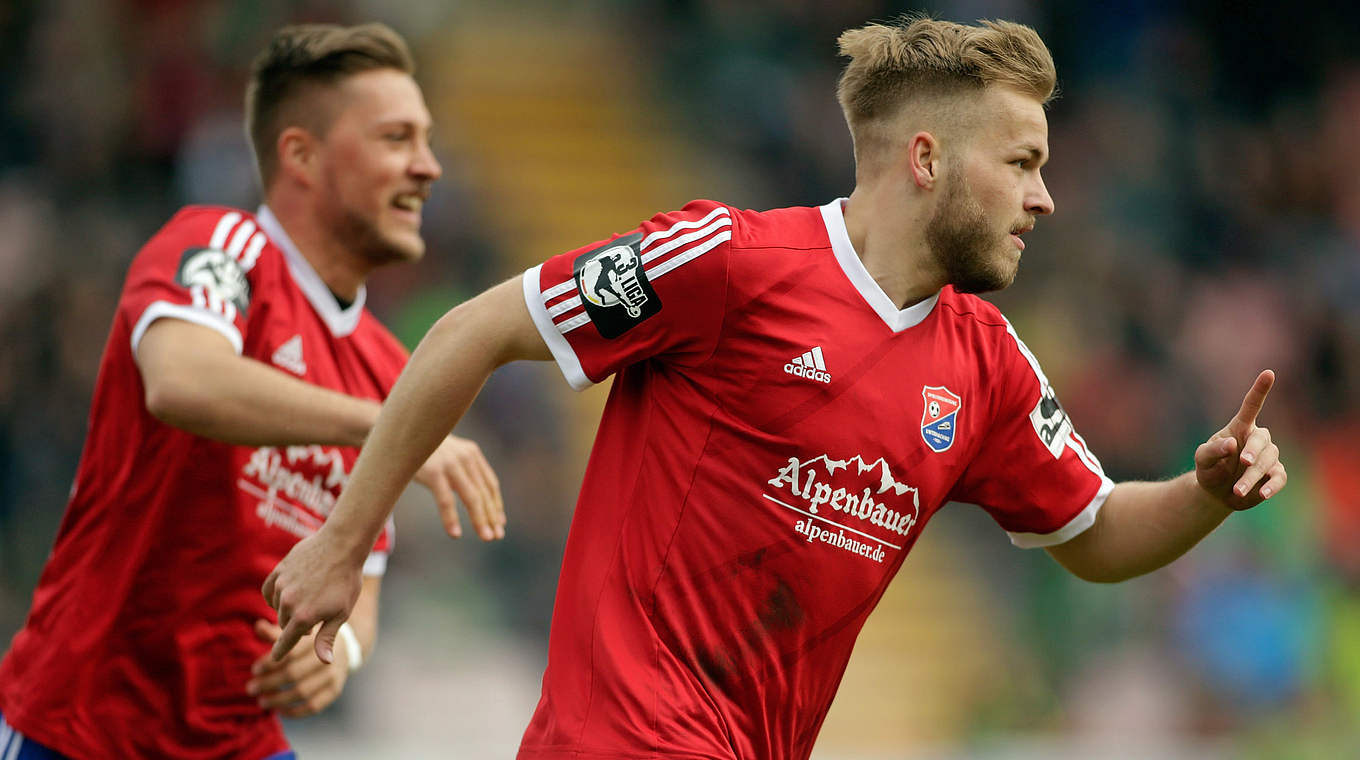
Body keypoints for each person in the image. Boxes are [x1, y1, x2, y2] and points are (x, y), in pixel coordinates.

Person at [262, 16, 1287, 760]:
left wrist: (1203, 493)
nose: (1045, 195)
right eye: (1021, 161)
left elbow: (1094, 529)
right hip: (617, 741)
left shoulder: (988, 366)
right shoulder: (729, 262)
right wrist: (344, 541)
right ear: (925, 158)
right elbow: (470, 328)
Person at [0, 22, 504, 760]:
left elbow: (361, 576)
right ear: (300, 154)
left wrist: (343, 658)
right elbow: (182, 379)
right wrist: (390, 427)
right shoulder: (222, 247)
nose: (428, 167)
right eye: (396, 138)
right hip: (84, 729)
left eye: (425, 141)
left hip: (239, 741)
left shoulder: (392, 364)